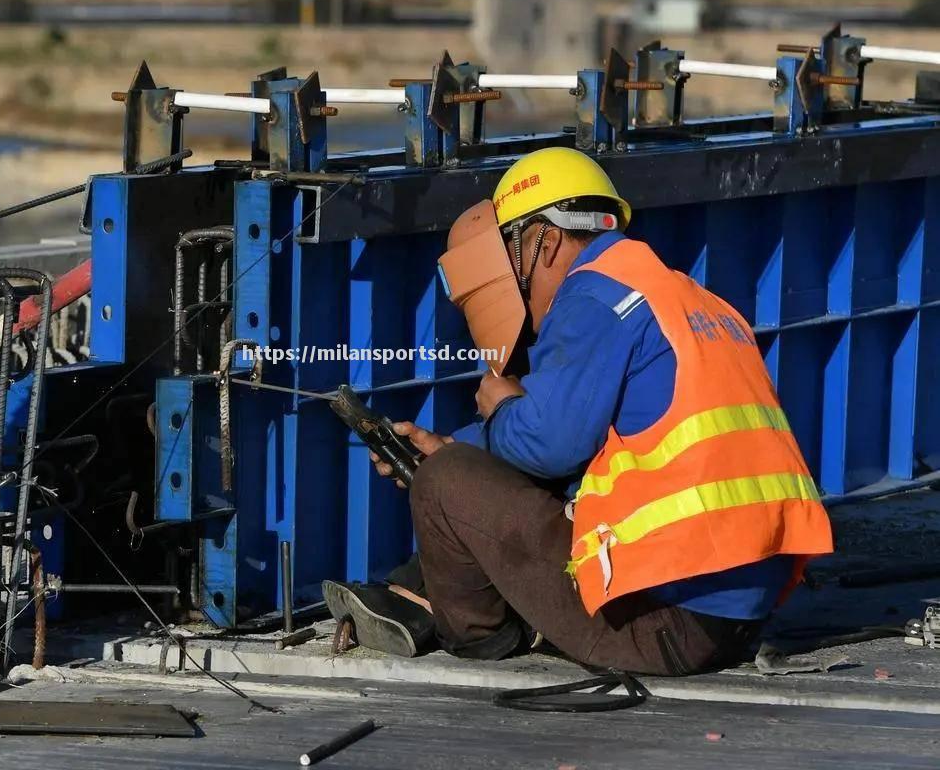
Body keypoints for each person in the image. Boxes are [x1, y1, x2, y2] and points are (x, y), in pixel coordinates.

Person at [322, 147, 834, 675]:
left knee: (440, 482)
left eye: (510, 251)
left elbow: (549, 447)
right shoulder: (685, 298)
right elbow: (594, 439)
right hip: (734, 617)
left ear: (545, 240)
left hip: (661, 621)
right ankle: (417, 591)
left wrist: (495, 414)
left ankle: (484, 635)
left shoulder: (591, 296)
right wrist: (457, 444)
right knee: (452, 465)